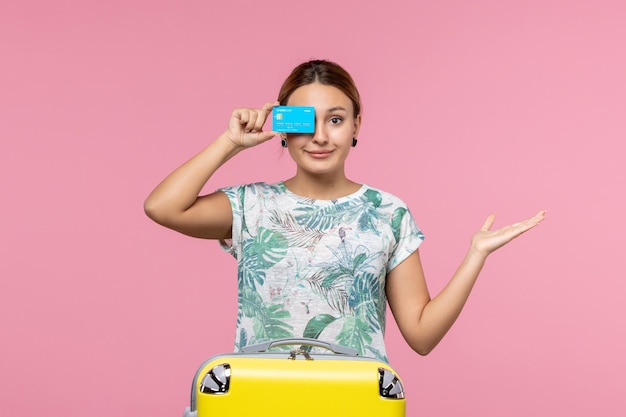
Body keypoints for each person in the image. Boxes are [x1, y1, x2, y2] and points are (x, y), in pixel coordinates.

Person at [144, 59, 545, 362]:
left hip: (354, 399)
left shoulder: (387, 212)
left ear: (356, 125)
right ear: (282, 128)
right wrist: (230, 143)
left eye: (335, 120)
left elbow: (422, 336)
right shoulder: (252, 205)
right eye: (305, 122)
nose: (320, 136)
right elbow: (162, 208)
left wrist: (475, 255)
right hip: (260, 397)